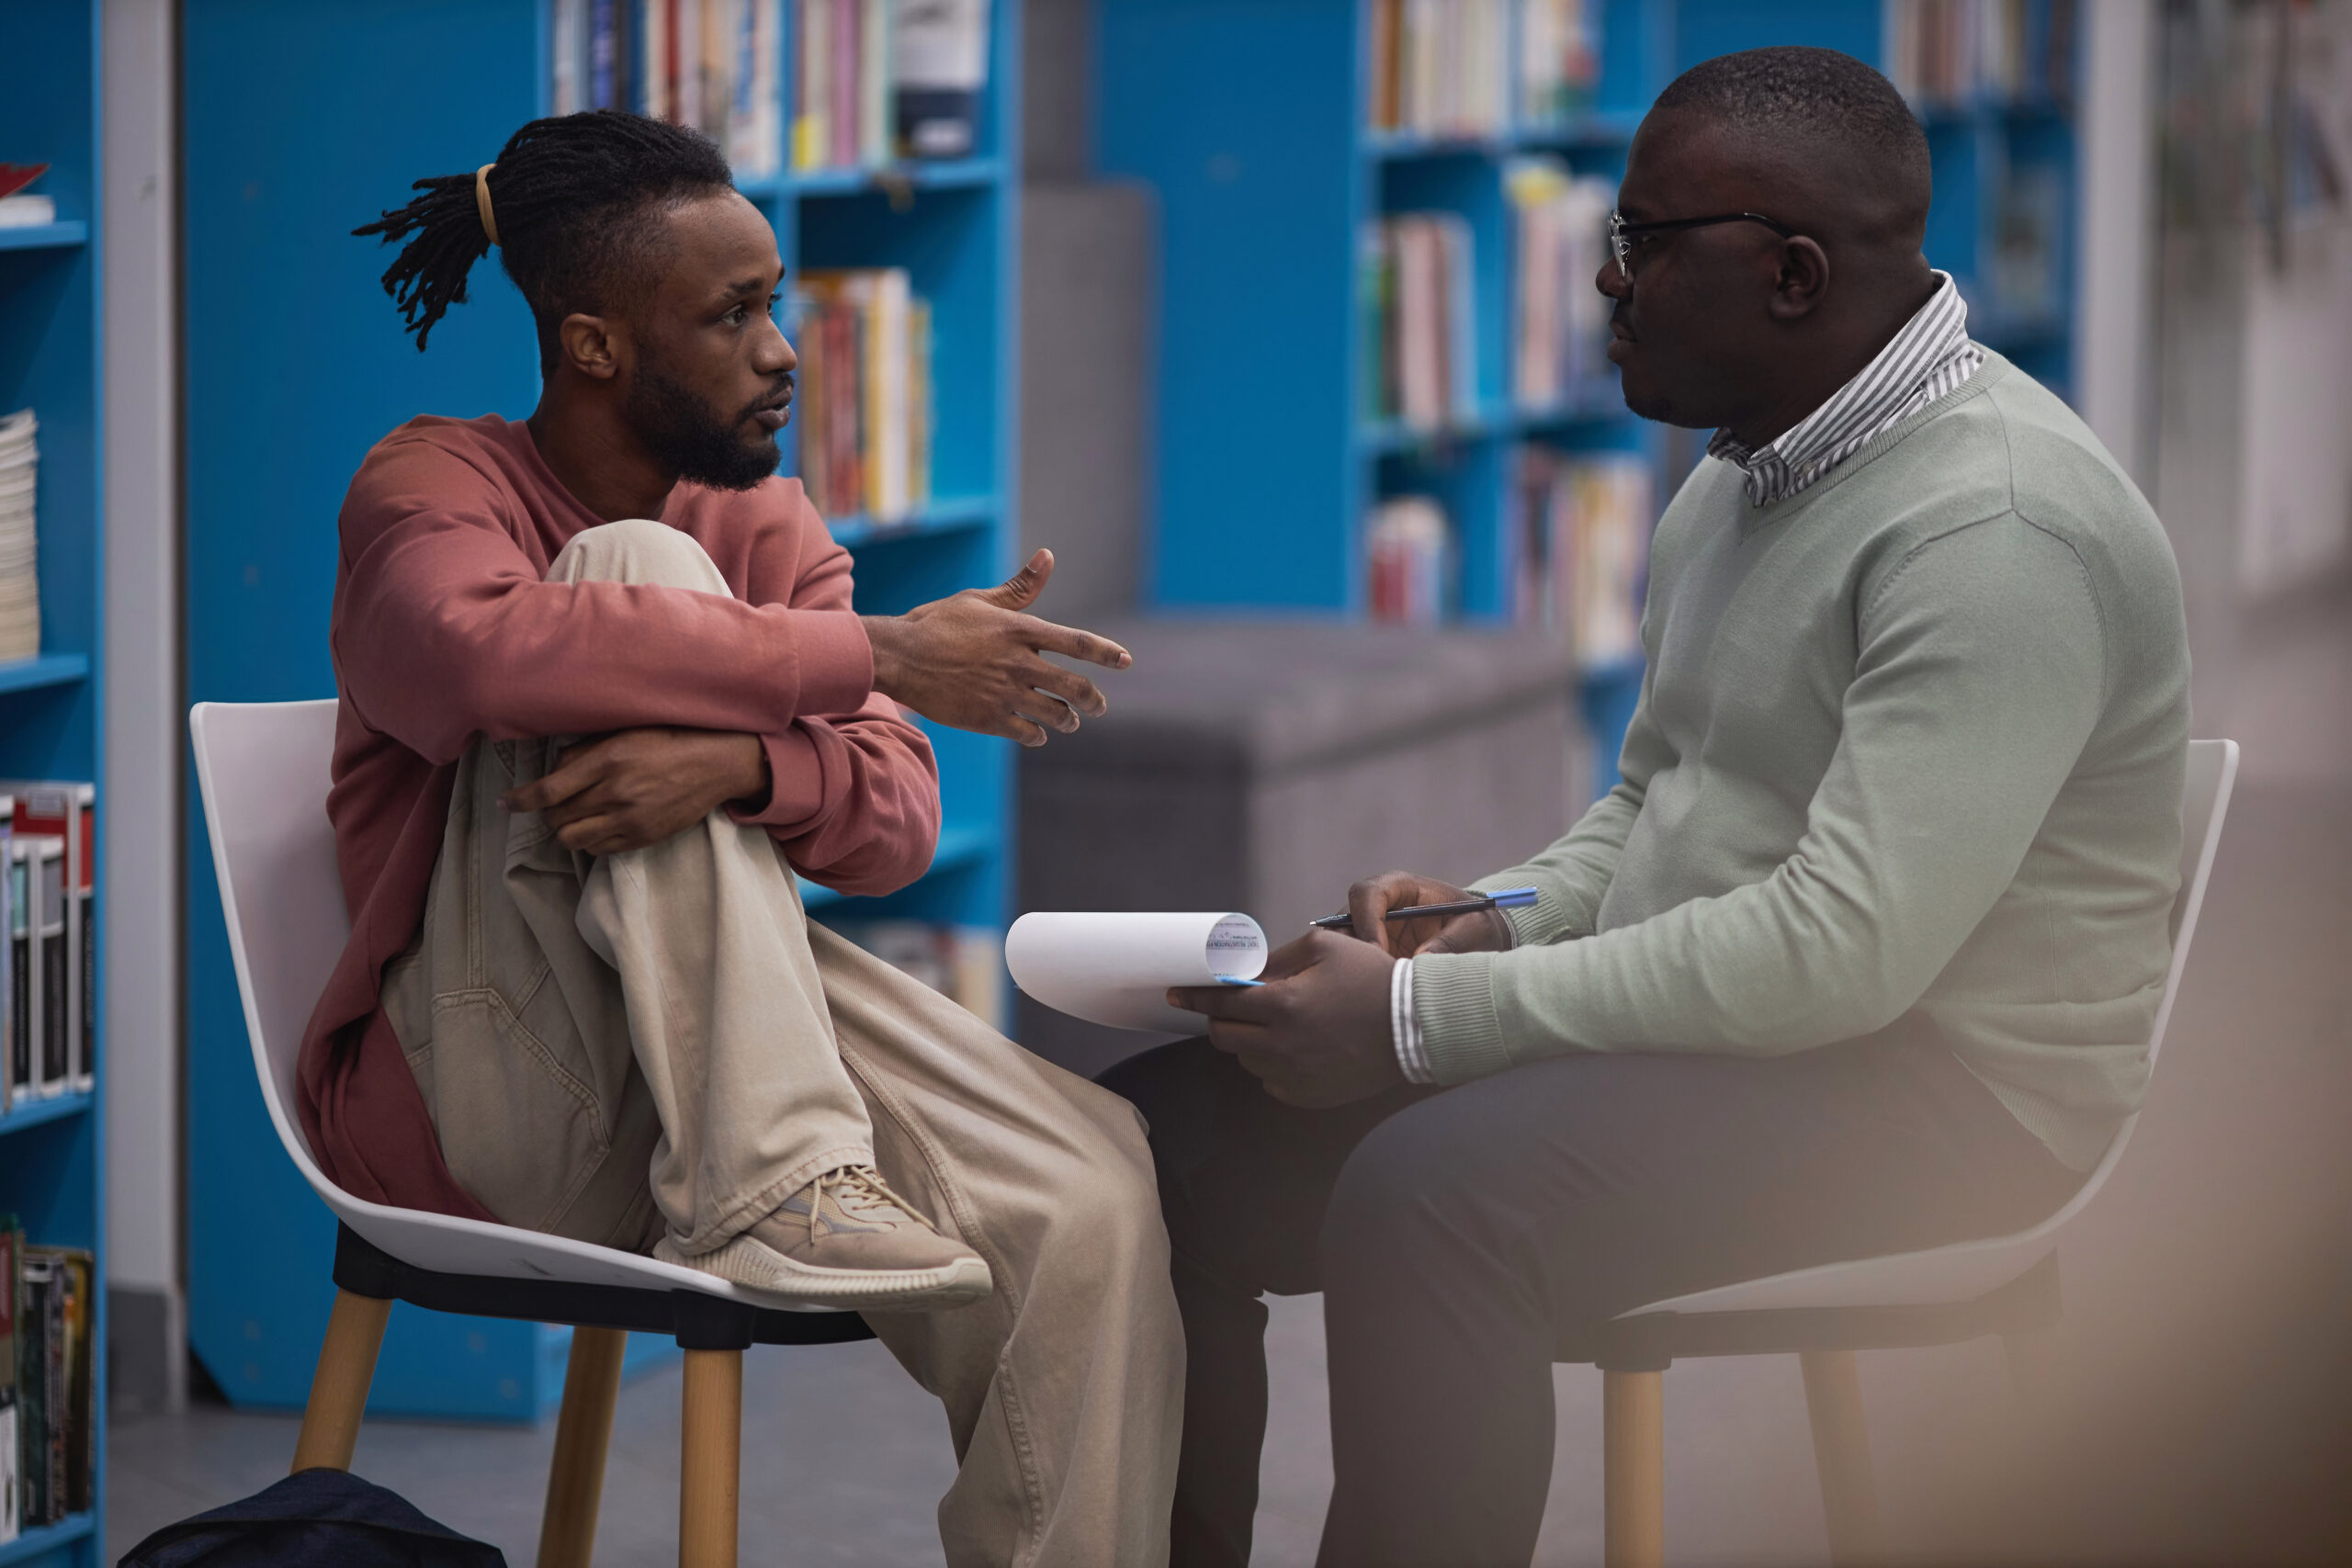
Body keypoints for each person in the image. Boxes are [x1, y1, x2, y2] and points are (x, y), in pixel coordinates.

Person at [1102, 45, 2191, 1568]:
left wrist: (1420, 1026)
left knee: (1441, 1200)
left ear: (1792, 275)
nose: (1605, 284)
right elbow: (1657, 807)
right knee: (1154, 1147)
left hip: (1952, 1089)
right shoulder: (1747, 474)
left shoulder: (1997, 530)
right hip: (1757, 1026)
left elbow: (1847, 950)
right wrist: (1479, 924)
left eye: (1638, 245)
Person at [317, 109, 1182, 1565]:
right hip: (494, 1098)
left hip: (701, 1059)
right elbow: (475, 665)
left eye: (774, 302)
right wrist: (872, 659)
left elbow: (898, 817)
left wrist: (730, 766)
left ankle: (781, 1180)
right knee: (634, 574)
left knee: (1094, 1185)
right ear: (593, 344)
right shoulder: (433, 484)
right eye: (733, 315)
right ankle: (777, 1187)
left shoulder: (761, 515)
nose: (783, 347)